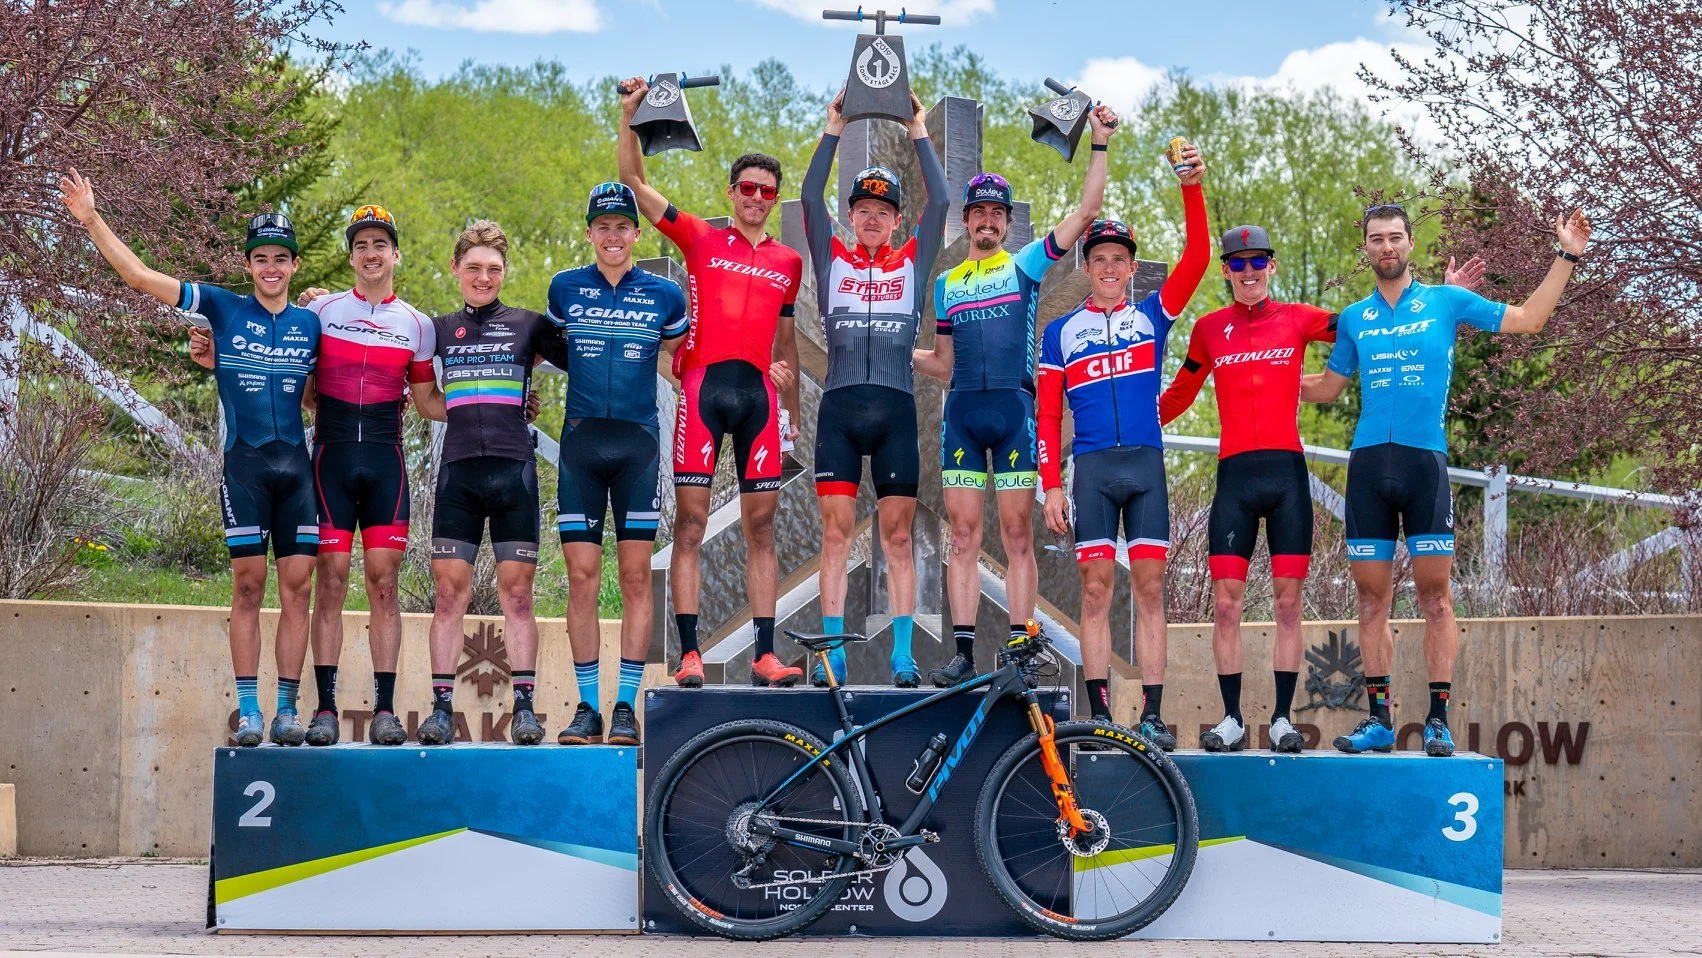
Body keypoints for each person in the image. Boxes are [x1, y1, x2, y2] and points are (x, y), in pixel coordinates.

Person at [1161, 225, 1485, 754]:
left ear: (1272, 264)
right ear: (1225, 270)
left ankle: (1284, 721)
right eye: (1237, 263)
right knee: (1225, 605)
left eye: (1257, 261)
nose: (1248, 272)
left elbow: (1381, 325)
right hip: (1233, 479)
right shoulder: (1207, 330)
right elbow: (1179, 394)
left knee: (1289, 604)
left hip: (1289, 475)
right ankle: (1231, 720)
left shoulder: (1301, 318)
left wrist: (1438, 299)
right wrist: (1121, 425)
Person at [1304, 203, 1592, 756]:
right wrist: (1257, 370)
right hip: (1367, 468)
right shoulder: (1354, 318)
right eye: (1375, 239)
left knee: (1436, 598)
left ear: (1411, 243)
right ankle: (1380, 720)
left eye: (1395, 238)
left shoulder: (1446, 302)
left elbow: (1529, 320)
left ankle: (1436, 718)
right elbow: (1326, 387)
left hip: (1424, 468)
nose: (1386, 247)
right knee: (1371, 602)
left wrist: (1566, 257)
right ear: (1365, 248)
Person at [59, 169, 320, 748]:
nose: (272, 268)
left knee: (298, 588)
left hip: (297, 473)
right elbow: (140, 276)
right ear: (248, 265)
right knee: (249, 587)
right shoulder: (224, 309)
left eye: (281, 258)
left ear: (294, 265)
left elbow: (318, 392)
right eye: (261, 259)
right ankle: (249, 709)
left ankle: (287, 710)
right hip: (245, 469)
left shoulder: (312, 323)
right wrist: (91, 220)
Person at [193, 205, 439, 747]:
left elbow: (428, 401)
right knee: (326, 582)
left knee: (384, 583)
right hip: (324, 462)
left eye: (381, 245)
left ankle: (385, 710)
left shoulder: (418, 325)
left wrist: (505, 404)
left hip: (384, 462)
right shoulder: (320, 311)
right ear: (351, 256)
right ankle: (323, 708)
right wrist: (216, 360)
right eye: (361, 246)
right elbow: (289, 375)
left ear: (396, 254)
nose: (371, 254)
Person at [914, 104, 1119, 689]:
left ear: (1005, 224)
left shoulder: (1026, 264)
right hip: (962, 414)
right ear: (967, 220)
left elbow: (1086, 212)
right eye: (977, 213)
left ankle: (1021, 645)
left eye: (995, 215)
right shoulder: (948, 285)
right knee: (962, 537)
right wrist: (892, 353)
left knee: (1017, 536)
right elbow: (943, 363)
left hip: (1012, 412)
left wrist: (1098, 143)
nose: (986, 223)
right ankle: (961, 653)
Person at [617, 76, 806, 688]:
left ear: (775, 199)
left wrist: (792, 409)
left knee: (763, 527)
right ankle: (691, 654)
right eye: (747, 188)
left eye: (766, 191)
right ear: (732, 191)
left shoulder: (788, 262)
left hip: (759, 399)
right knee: (691, 525)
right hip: (700, 392)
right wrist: (629, 118)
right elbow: (636, 188)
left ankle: (764, 654)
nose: (756, 197)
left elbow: (787, 346)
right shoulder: (702, 236)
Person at [1035, 146, 1211, 750]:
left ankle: (1154, 715)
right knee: (1093, 590)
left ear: (1132, 268)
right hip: (1091, 469)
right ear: (1087, 266)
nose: (1110, 267)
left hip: (1145, 466)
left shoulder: (1153, 317)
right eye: (1100, 258)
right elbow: (1048, 412)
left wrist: (1192, 186)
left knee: (1150, 588)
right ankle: (1101, 713)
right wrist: (1050, 482)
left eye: (1119, 259)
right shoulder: (1061, 333)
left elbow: (1198, 259)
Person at [799, 89, 947, 687]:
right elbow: (810, 197)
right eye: (862, 208)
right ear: (852, 215)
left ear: (895, 220)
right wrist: (834, 127)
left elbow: (940, 199)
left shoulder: (911, 262)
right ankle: (832, 653)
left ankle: (904, 657)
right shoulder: (832, 258)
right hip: (840, 407)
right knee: (835, 535)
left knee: (898, 536)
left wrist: (916, 126)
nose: (871, 217)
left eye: (883, 211)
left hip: (894, 408)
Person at [415, 220, 574, 745]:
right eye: (474, 268)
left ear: (504, 272)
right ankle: (441, 709)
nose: (484, 277)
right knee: (447, 595)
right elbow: (425, 400)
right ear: (456, 269)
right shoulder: (436, 329)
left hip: (515, 475)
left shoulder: (530, 327)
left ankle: (525, 709)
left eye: (494, 269)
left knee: (520, 597)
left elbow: (589, 355)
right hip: (459, 473)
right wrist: (468, 411)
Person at [548, 183, 689, 746]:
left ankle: (625, 706)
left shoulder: (665, 295)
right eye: (602, 225)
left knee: (635, 578)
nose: (612, 235)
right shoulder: (564, 288)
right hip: (581, 448)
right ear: (590, 232)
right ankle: (587, 707)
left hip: (638, 447)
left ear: (636, 233)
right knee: (581, 580)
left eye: (622, 226)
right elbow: (543, 349)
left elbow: (686, 364)